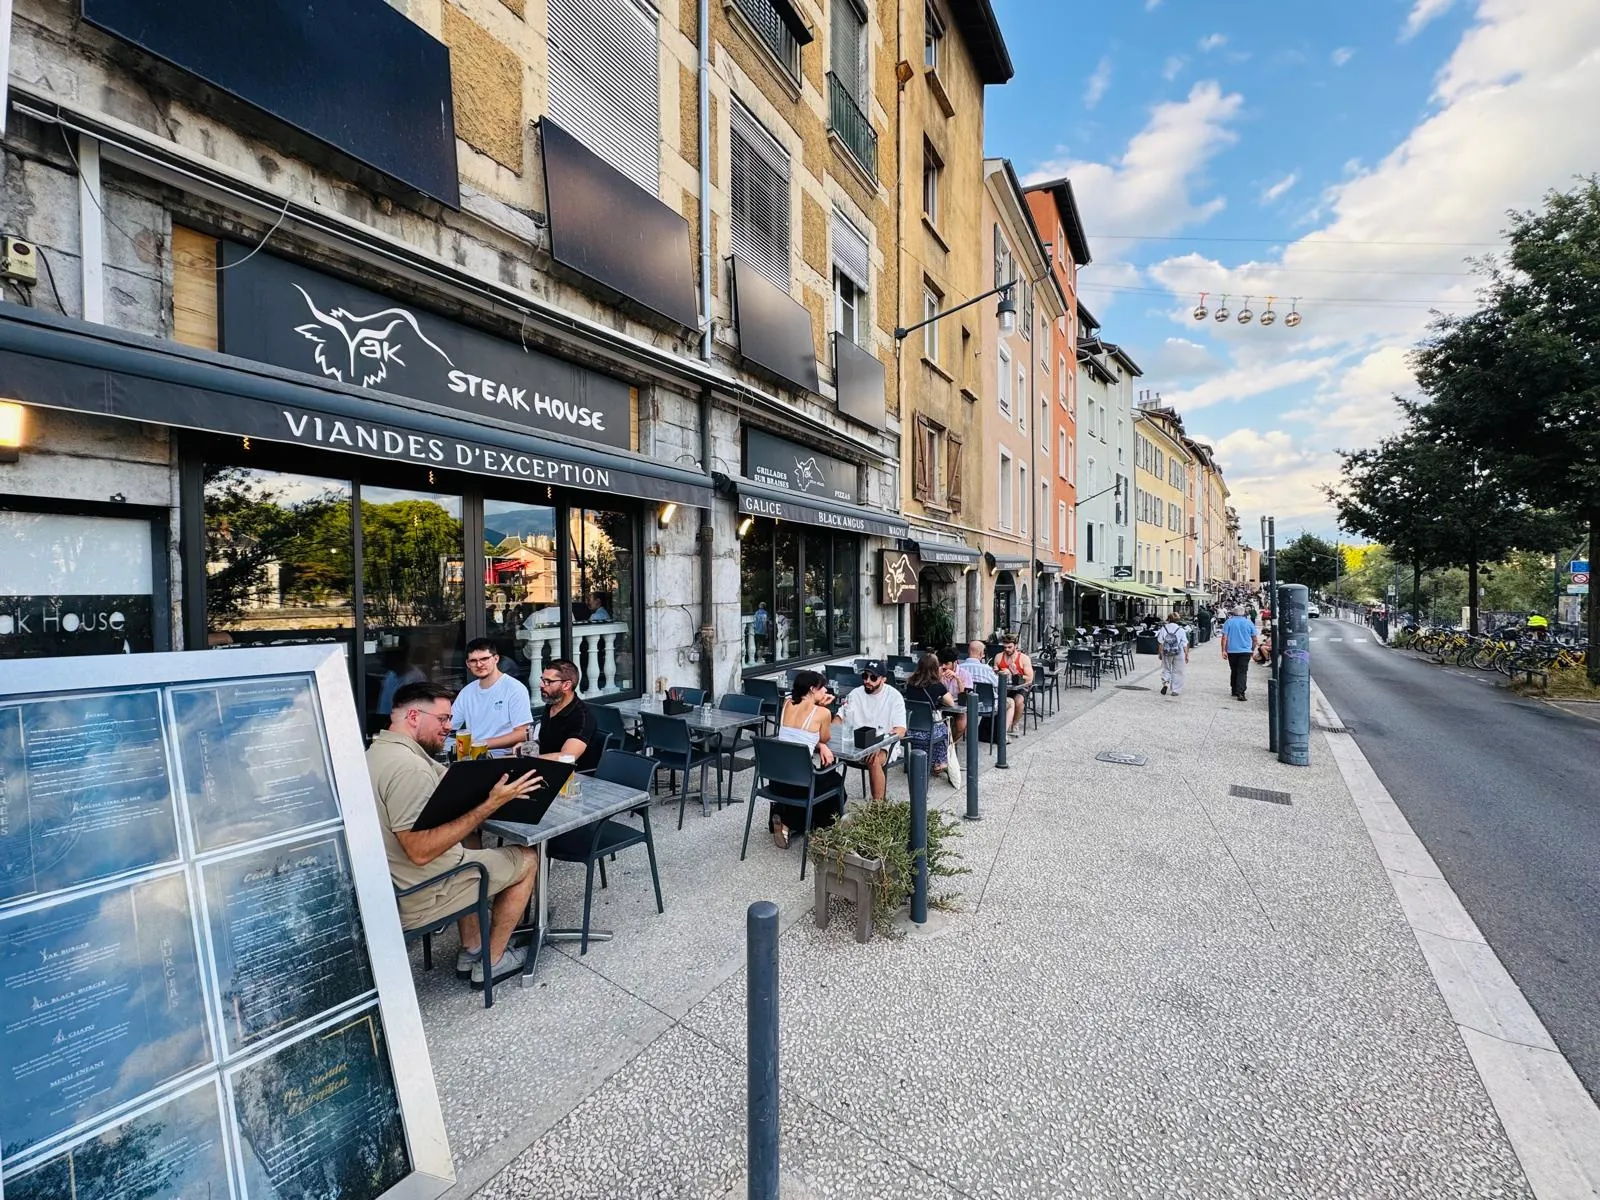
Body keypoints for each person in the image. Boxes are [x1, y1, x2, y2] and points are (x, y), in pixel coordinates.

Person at [367, 682, 541, 988]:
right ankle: (493, 961)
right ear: (414, 716)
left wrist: (499, 781)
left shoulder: (380, 751)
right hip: (421, 892)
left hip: (392, 881)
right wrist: (490, 805)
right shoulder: (410, 770)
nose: (450, 727)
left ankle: (471, 949)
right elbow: (421, 851)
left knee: (471, 851)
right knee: (527, 858)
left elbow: (447, 777)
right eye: (443, 719)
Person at [768, 670, 844, 848]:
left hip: (776, 779)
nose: (825, 690)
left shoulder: (786, 703)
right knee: (836, 781)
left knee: (816, 779)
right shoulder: (822, 713)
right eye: (822, 687)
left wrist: (820, 745)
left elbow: (800, 736)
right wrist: (825, 709)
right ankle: (812, 827)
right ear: (812, 689)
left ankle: (784, 820)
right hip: (802, 783)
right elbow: (825, 738)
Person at [835, 661, 907, 802]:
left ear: (883, 679)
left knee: (873, 759)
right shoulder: (855, 693)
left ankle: (877, 808)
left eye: (873, 678)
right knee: (828, 755)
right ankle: (829, 801)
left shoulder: (894, 697)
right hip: (856, 742)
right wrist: (831, 736)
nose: (867, 681)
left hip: (883, 743)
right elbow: (839, 718)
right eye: (865, 676)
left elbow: (901, 730)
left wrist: (877, 744)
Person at [452, 640, 533, 758]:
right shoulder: (467, 692)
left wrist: (480, 743)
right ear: (468, 664)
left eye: (484, 659)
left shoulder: (515, 689)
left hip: (504, 758)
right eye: (473, 661)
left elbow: (522, 733)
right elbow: (449, 725)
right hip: (471, 757)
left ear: (496, 659)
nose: (479, 665)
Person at [534, 658, 601, 772]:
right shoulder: (552, 703)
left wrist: (528, 761)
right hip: (545, 768)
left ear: (566, 685)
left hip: (574, 778)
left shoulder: (582, 718)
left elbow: (567, 757)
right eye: (542, 679)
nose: (541, 685)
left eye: (548, 681)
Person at [903, 653, 957, 775]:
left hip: (910, 730)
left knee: (935, 727)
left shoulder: (910, 684)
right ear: (935, 668)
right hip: (928, 732)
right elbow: (951, 703)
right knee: (944, 729)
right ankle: (939, 763)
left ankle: (927, 760)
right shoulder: (937, 685)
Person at [993, 635, 1034, 732]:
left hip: (1021, 687)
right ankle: (998, 725)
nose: (1007, 649)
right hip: (1004, 687)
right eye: (1005, 647)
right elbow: (994, 674)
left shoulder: (1024, 658)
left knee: (1018, 700)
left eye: (1009, 647)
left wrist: (1014, 673)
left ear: (1015, 646)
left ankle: (1015, 723)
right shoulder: (998, 657)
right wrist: (996, 671)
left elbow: (1030, 679)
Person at [1220, 605, 1260, 702]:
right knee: (1242, 671)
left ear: (1233, 613)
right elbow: (1254, 639)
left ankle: (1234, 689)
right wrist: (1252, 649)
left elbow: (1224, 637)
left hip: (1232, 650)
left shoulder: (1228, 622)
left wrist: (1223, 650)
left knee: (1234, 670)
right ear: (1244, 613)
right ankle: (1241, 692)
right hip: (1245, 651)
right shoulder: (1249, 623)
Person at [937, 647, 969, 741]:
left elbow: (964, 695)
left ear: (955, 663)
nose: (944, 666)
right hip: (941, 705)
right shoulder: (938, 671)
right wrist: (938, 678)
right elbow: (933, 689)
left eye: (947, 664)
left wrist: (957, 678)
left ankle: (950, 744)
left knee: (962, 724)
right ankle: (946, 744)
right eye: (941, 663)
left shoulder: (964, 674)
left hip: (958, 706)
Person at [1157, 613, 1191, 697]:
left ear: (1168, 619)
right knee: (1178, 671)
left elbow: (1160, 642)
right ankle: (1175, 690)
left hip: (1167, 651)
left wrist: (1160, 653)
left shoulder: (1163, 628)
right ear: (1178, 620)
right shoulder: (1181, 630)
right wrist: (1186, 655)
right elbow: (1185, 644)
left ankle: (1165, 683)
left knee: (1166, 668)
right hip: (1178, 652)